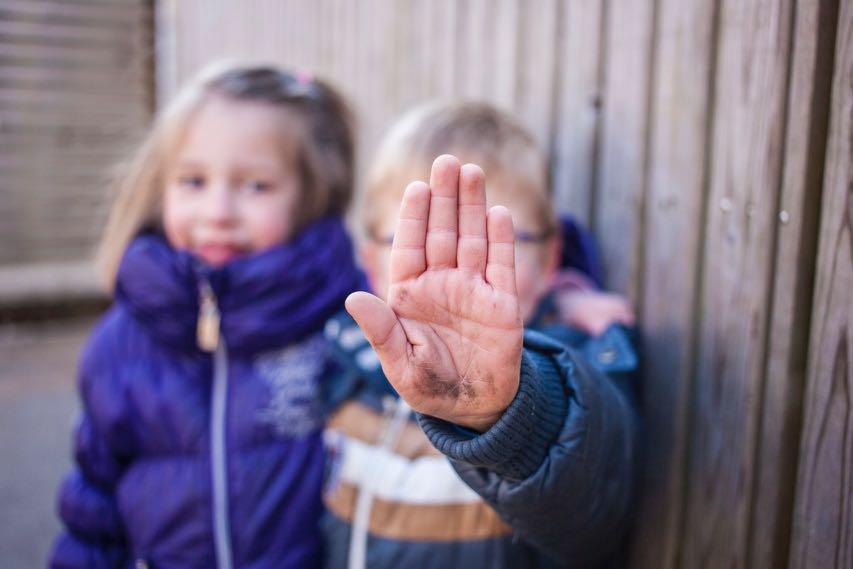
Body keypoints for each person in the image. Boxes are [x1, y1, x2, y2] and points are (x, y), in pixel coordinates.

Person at [49, 63, 364, 569]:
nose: (218, 210)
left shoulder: (345, 319)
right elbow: (93, 507)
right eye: (193, 180)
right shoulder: (122, 343)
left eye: (256, 186)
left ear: (312, 194)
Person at [321, 102, 640, 568]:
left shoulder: (582, 362)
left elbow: (595, 498)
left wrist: (506, 414)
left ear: (551, 259)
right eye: (420, 239)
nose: (449, 270)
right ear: (370, 262)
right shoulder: (341, 365)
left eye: (494, 243)